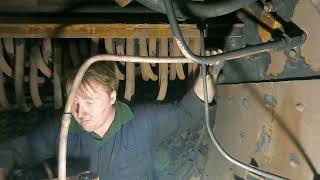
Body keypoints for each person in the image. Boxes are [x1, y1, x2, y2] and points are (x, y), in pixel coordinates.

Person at [0, 61, 216, 179]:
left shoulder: (143, 122)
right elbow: (16, 149)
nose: (79, 111)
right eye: (73, 102)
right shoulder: (62, 132)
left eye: (89, 102)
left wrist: (206, 78)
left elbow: (186, 114)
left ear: (112, 96)